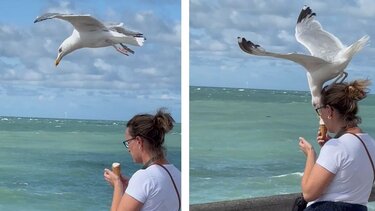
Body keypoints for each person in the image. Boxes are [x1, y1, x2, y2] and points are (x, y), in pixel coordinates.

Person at [298, 79, 375, 210]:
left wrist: (311, 154)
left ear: (329, 111)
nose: (320, 115)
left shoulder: (336, 147)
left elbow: (308, 193)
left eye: (319, 110)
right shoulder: (370, 143)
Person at [104, 108, 181, 211]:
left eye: (128, 143)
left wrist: (118, 186)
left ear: (139, 141)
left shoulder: (144, 177)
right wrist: (131, 189)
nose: (128, 149)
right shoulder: (177, 174)